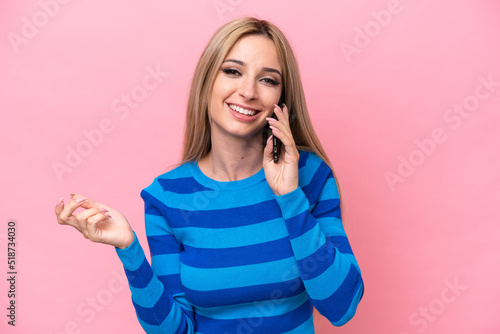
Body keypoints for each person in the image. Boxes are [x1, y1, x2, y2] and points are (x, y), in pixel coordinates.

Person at [55, 17, 364, 334]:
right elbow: (176, 330)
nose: (247, 91)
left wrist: (289, 196)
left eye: (268, 80)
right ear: (207, 82)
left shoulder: (310, 177)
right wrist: (129, 249)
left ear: (281, 100)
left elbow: (341, 306)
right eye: (232, 71)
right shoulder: (167, 197)